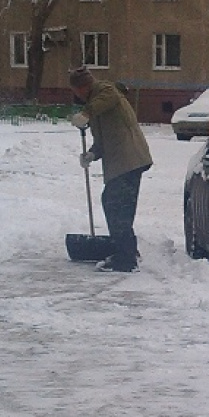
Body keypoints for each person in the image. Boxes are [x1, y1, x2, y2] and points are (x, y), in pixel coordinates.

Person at [69, 65, 153, 273]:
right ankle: (128, 251)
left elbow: (111, 95)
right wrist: (92, 154)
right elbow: (102, 140)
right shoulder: (98, 104)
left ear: (81, 88)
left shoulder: (105, 91)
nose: (76, 95)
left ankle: (126, 258)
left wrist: (86, 113)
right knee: (116, 204)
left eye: (76, 90)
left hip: (128, 159)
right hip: (123, 161)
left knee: (116, 205)